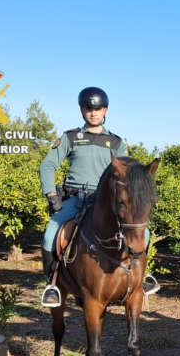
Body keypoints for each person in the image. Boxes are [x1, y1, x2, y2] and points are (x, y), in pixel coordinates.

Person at [38, 87, 159, 307]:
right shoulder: (70, 137)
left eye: (98, 108)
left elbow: (128, 173)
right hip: (77, 197)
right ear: (82, 109)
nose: (93, 113)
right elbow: (48, 164)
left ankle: (142, 276)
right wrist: (51, 194)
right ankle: (53, 283)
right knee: (50, 234)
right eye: (88, 108)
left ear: (105, 110)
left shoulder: (116, 142)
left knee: (144, 232)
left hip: (107, 200)